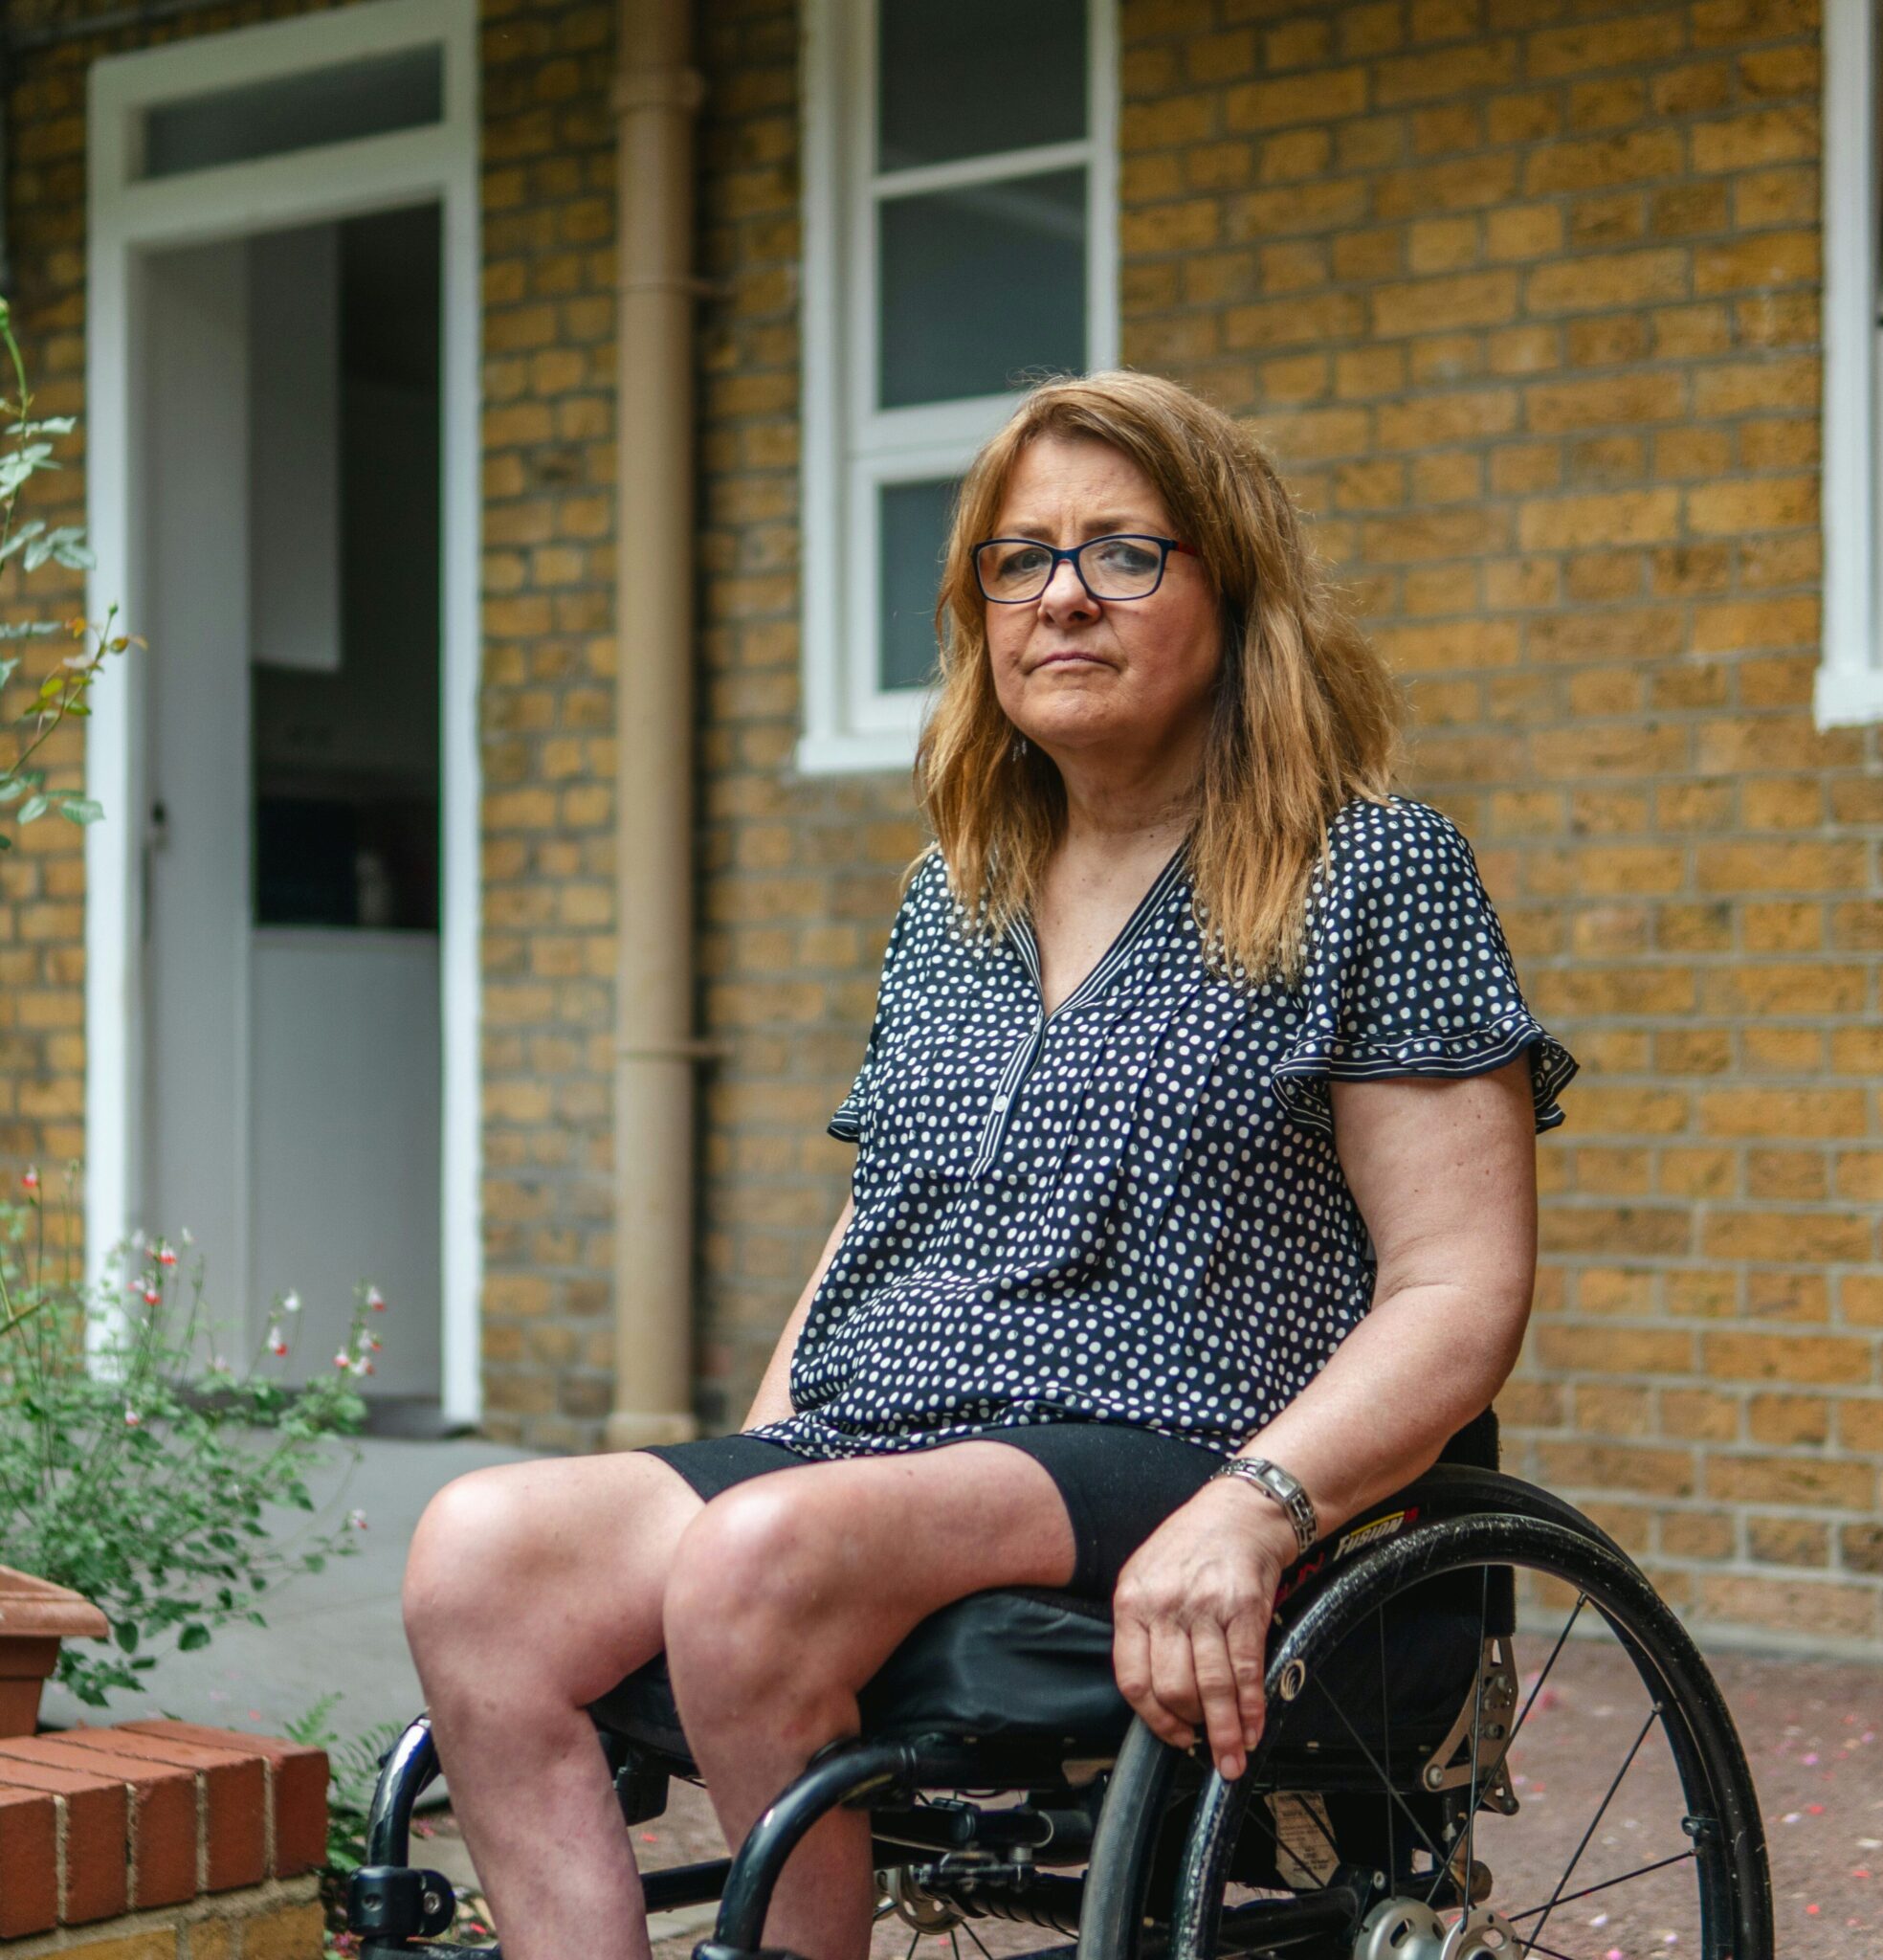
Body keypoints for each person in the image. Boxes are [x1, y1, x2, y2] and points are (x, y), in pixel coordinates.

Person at [401, 370, 1576, 1960]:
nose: (1064, 598)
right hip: (899, 1436)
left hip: (1173, 1427)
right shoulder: (956, 897)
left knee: (760, 1555)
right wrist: (770, 1439)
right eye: (1019, 560)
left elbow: (1460, 1285)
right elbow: (886, 1212)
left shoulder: (1370, 869)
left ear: (1233, 586)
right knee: (481, 1553)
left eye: (1125, 553)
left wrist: (1259, 1505)